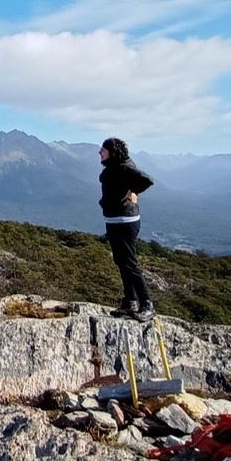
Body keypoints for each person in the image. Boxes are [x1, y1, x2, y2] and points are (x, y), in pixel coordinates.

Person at [98, 137, 156, 322]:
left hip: (124, 221)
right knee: (122, 261)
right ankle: (130, 302)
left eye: (103, 150)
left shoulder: (123, 166)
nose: (99, 153)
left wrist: (133, 192)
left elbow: (146, 180)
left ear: (112, 152)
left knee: (129, 263)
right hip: (116, 221)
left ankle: (147, 304)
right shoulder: (117, 165)